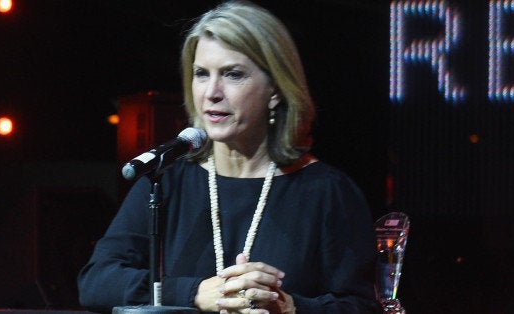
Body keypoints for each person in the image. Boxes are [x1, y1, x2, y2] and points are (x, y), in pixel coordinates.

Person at [78, 1, 380, 313]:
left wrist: (289, 307)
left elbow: (362, 306)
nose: (212, 92)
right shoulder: (167, 181)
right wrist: (194, 292)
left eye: (232, 74)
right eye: (201, 74)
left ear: (275, 89)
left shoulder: (326, 192)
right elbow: (97, 281)